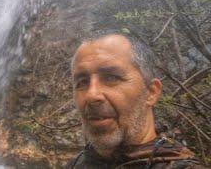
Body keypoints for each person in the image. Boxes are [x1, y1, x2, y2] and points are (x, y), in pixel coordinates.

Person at [67, 34, 205, 168]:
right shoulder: (77, 164)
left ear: (151, 92)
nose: (92, 95)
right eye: (82, 82)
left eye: (111, 78)